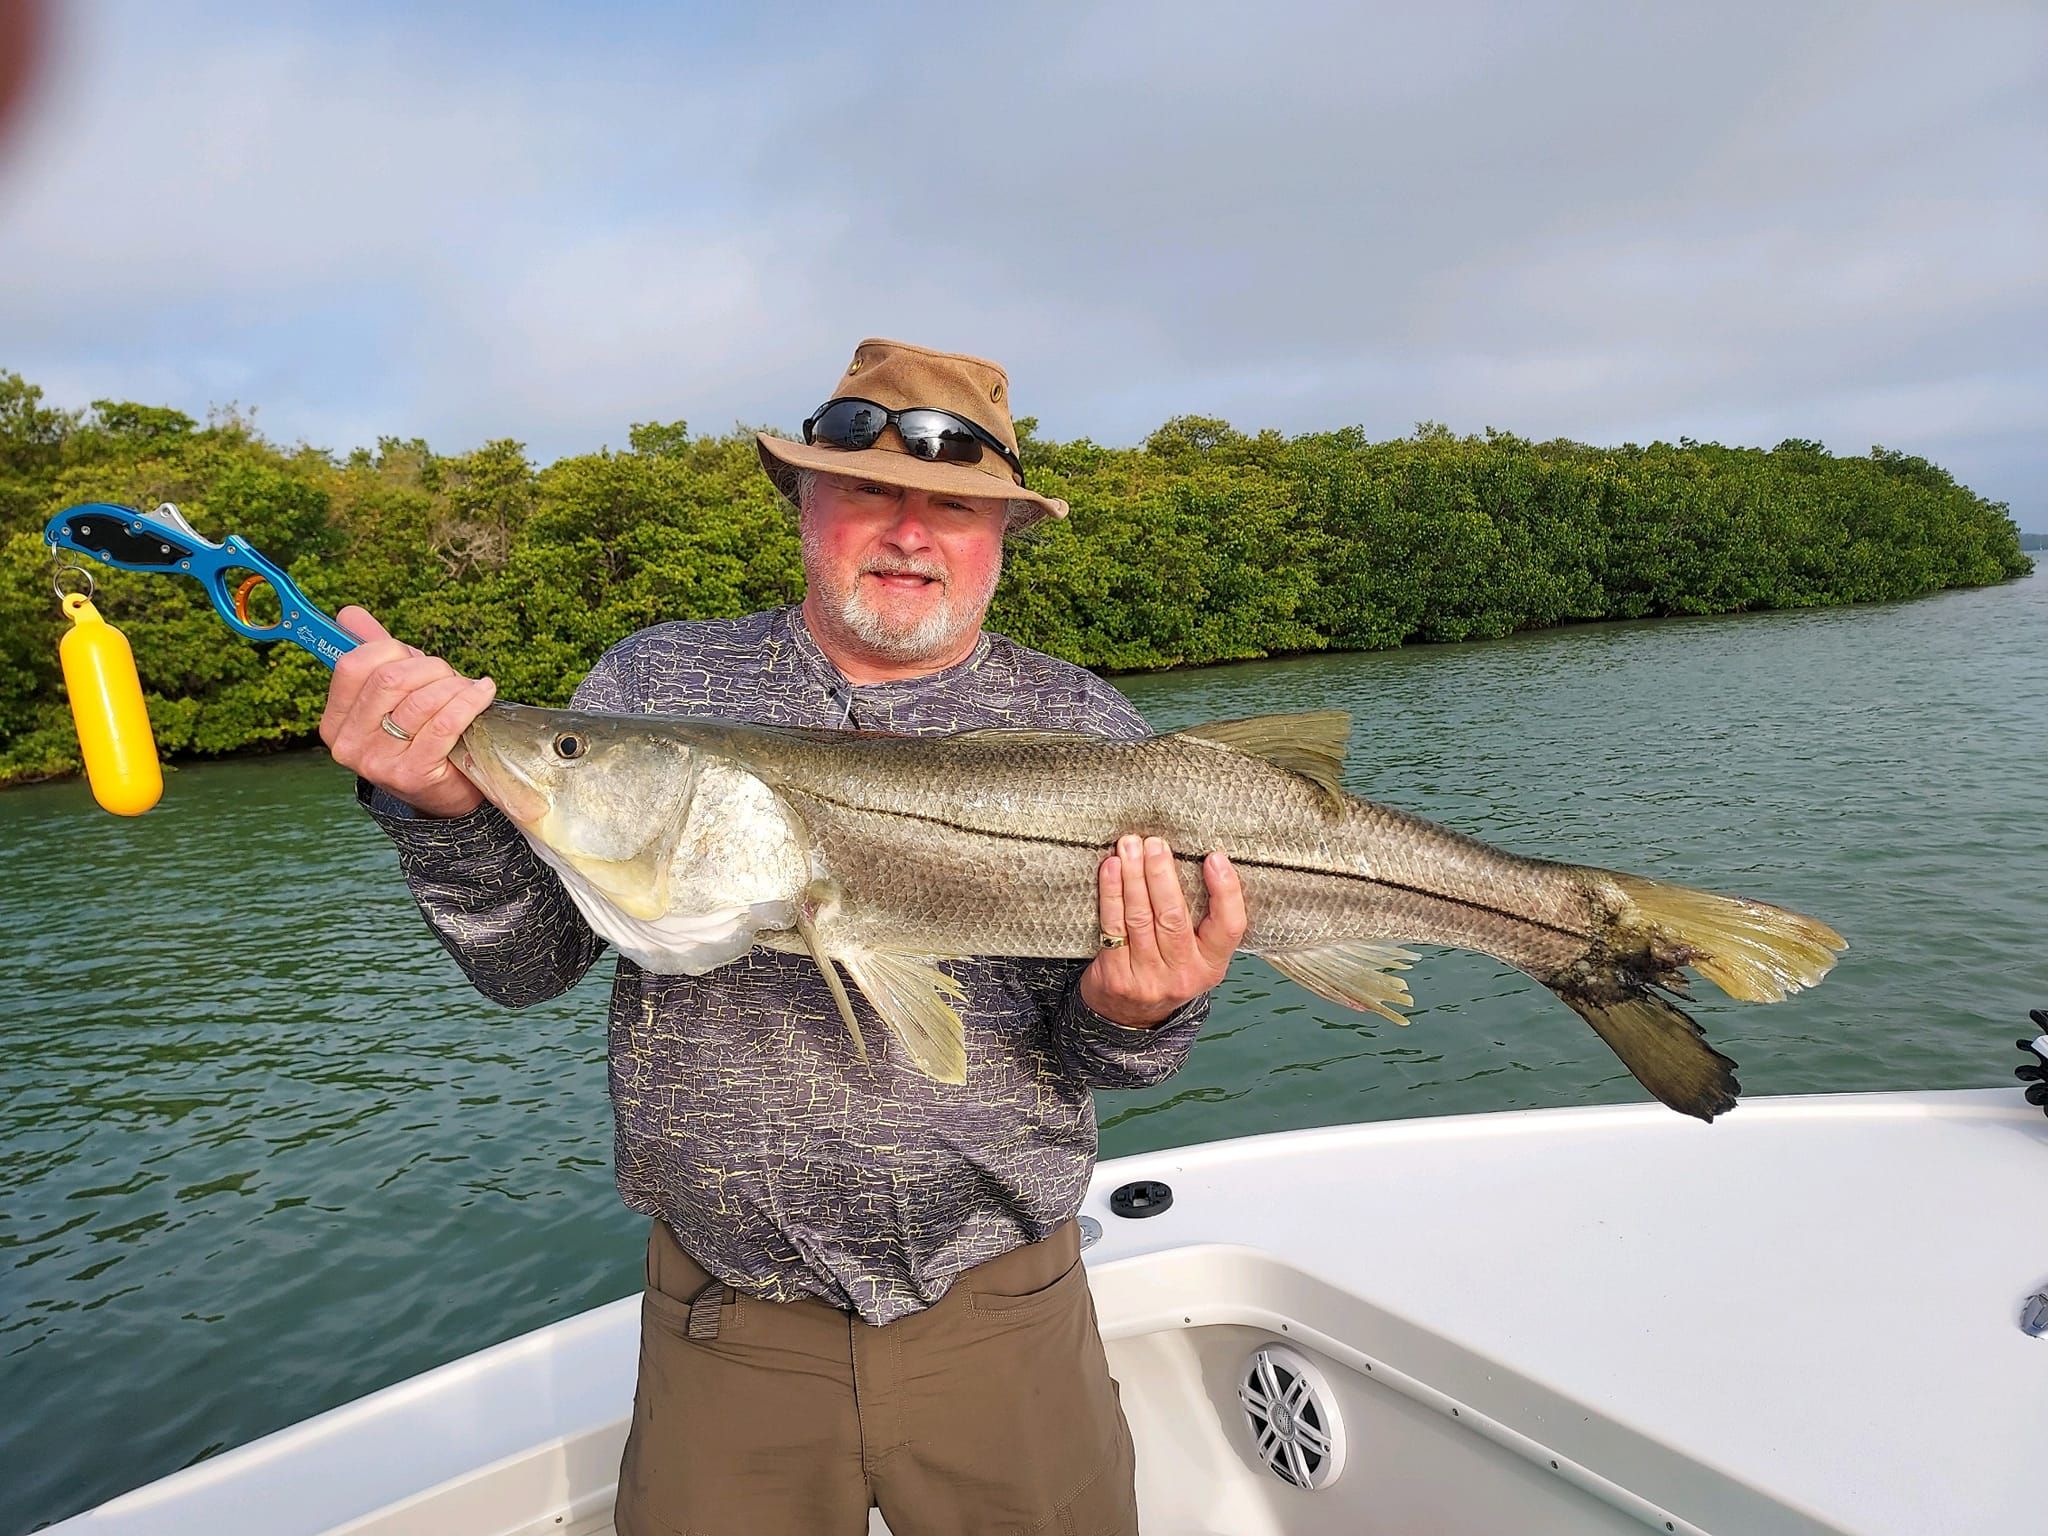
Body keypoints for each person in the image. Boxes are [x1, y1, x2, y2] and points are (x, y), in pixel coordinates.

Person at [320, 337, 1247, 1535]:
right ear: (804, 501)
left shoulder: (1081, 723)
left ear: (1002, 539)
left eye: (955, 511)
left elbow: (1107, 1054)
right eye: (870, 490)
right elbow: (528, 966)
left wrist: (1142, 1012)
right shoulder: (657, 680)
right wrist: (441, 812)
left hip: (1003, 1313)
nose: (911, 533)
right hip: (725, 1328)